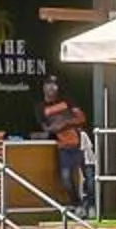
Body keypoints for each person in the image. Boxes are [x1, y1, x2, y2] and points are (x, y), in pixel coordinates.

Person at [39, 78, 90, 212]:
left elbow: (81, 118)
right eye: (49, 85)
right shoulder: (41, 107)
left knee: (89, 176)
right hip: (63, 146)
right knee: (66, 177)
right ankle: (76, 204)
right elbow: (46, 128)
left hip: (80, 144)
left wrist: (65, 123)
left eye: (54, 85)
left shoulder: (67, 100)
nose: (52, 88)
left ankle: (89, 204)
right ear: (44, 87)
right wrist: (56, 127)